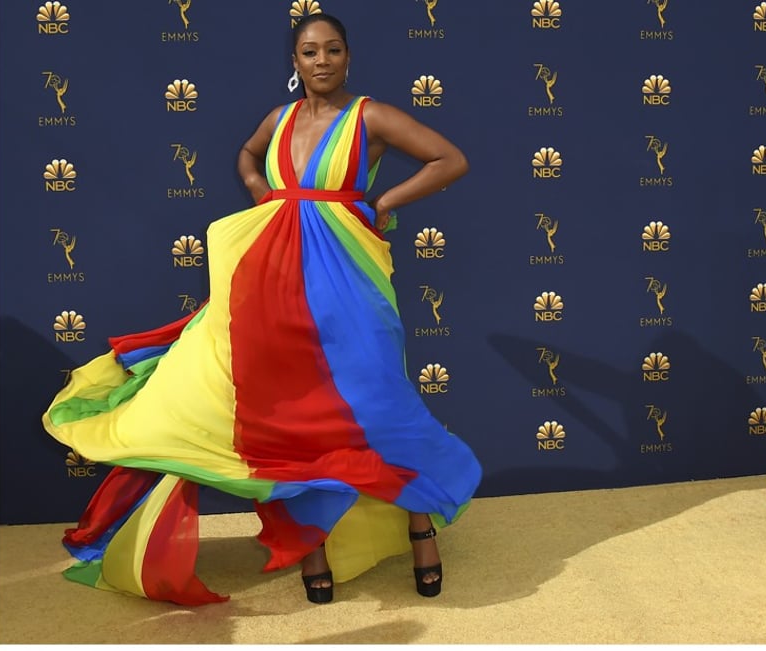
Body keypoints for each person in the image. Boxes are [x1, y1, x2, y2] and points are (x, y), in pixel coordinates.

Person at [42, 13, 482, 605]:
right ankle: (312, 545)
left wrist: (380, 204)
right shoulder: (278, 120)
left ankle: (420, 526)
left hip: (349, 279)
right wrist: (260, 192)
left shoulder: (371, 116)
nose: (321, 60)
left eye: (331, 50)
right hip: (271, 282)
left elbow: (449, 159)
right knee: (291, 414)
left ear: (348, 57)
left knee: (382, 402)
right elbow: (248, 155)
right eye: (308, 52)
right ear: (294, 63)